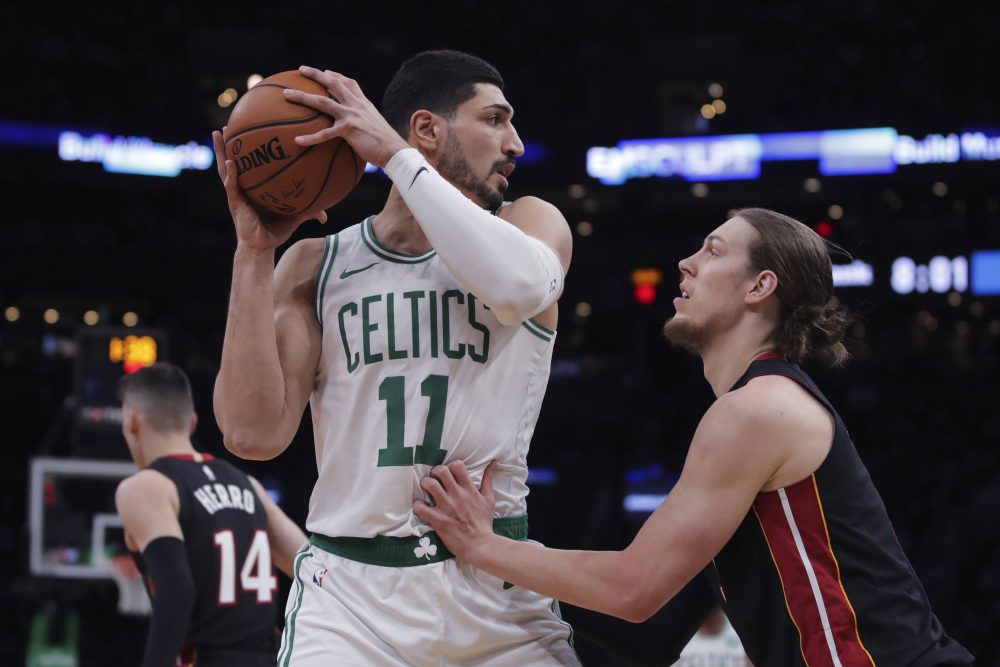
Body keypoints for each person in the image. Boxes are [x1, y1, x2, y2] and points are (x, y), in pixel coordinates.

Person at [414, 208, 977, 666]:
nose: (685, 263)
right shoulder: (754, 412)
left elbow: (633, 590)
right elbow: (651, 635)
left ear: (761, 285)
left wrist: (487, 546)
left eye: (713, 251)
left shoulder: (757, 411)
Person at [211, 50, 578, 665]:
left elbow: (515, 287)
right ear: (428, 128)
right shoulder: (315, 264)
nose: (514, 143)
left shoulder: (531, 224)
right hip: (350, 600)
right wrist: (253, 255)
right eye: (494, 119)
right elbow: (252, 435)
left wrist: (394, 156)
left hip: (492, 586)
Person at [115, 363, 308, 667]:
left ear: (132, 422)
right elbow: (308, 564)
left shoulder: (144, 487)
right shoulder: (248, 484)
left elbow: (176, 591)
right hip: (271, 657)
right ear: (191, 423)